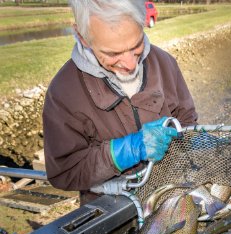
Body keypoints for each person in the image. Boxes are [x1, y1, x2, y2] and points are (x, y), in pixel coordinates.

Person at [43, 0, 198, 205]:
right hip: (112, 208)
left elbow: (187, 120)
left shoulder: (165, 63)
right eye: (112, 53)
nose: (130, 64)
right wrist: (125, 151)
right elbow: (65, 172)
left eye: (136, 45)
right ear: (82, 36)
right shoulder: (62, 93)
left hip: (169, 196)